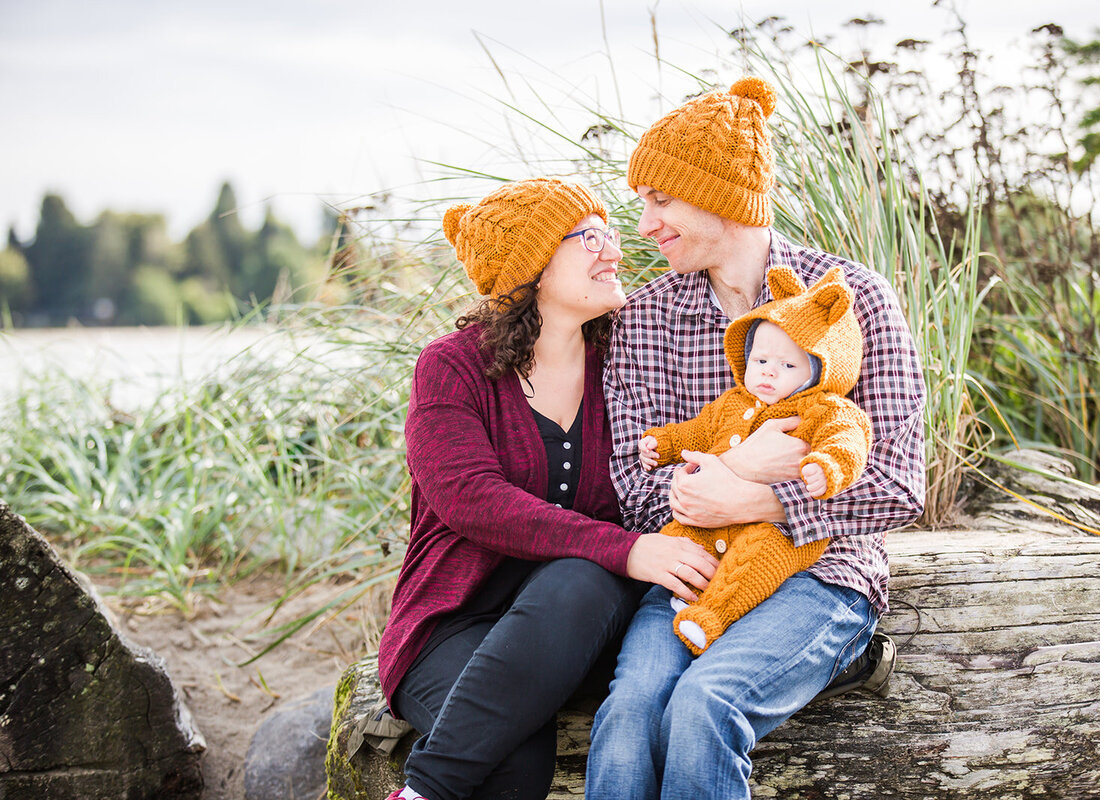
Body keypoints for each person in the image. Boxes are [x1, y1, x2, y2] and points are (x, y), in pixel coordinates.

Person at [585, 77, 926, 800]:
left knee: (705, 706)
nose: (644, 224)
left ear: (721, 196)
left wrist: (762, 502)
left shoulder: (852, 299)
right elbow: (635, 488)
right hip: (693, 569)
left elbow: (898, 482)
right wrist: (742, 468)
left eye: (660, 200)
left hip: (821, 576)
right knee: (627, 719)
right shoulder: (644, 320)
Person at [376, 177, 719, 800]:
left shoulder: (624, 362)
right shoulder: (453, 366)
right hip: (456, 618)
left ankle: (421, 791)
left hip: (578, 625)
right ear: (531, 268)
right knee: (515, 766)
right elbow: (469, 499)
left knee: (583, 576)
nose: (613, 249)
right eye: (589, 237)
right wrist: (625, 548)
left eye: (611, 233)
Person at [638, 264, 872, 655]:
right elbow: (695, 432)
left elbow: (847, 440)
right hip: (714, 520)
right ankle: (683, 591)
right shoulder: (733, 403)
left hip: (780, 529)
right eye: (761, 361)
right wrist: (662, 443)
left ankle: (711, 615)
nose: (768, 373)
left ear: (818, 373)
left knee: (760, 556)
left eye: (788, 366)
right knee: (682, 534)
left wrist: (828, 466)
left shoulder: (822, 408)